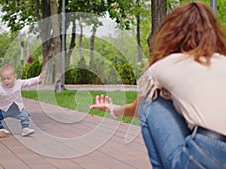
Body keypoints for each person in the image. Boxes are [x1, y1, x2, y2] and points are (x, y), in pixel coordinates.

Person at [90, 2, 226, 169]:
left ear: (172, 33)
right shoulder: (223, 62)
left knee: (151, 103)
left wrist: (112, 108)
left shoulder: (164, 66)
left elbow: (138, 108)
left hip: (208, 152)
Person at [0, 64, 46, 138]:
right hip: (1, 109)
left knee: (25, 116)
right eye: (3, 79)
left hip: (16, 108)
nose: (6, 81)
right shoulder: (0, 90)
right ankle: (1, 130)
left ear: (14, 77)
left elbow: (29, 82)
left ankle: (25, 129)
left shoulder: (19, 83)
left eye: (8, 78)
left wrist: (39, 78)